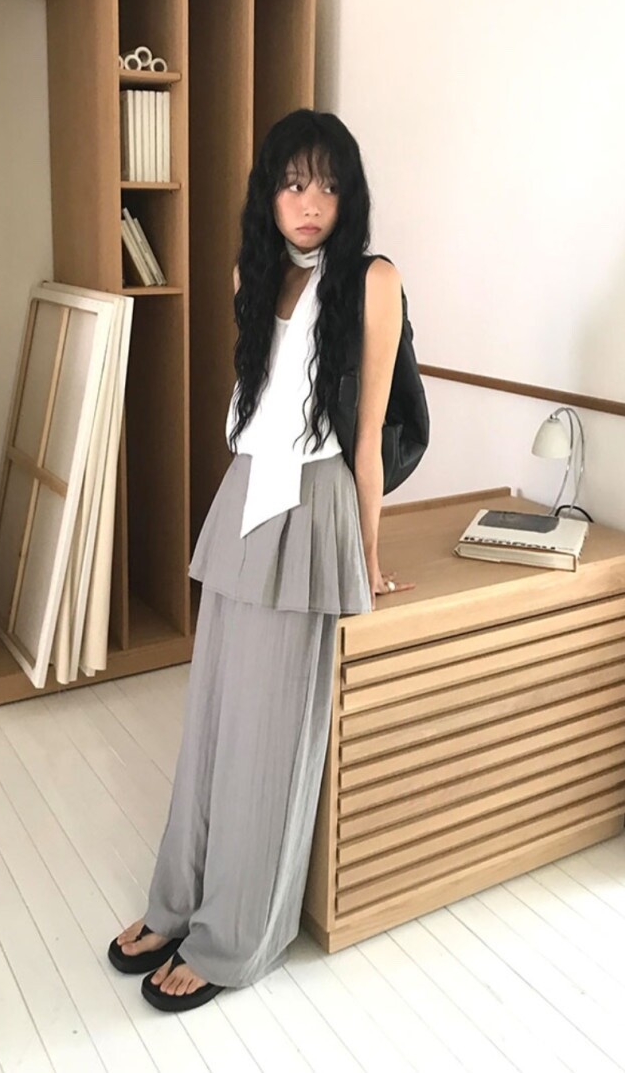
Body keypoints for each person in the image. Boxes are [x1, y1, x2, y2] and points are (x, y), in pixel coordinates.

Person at [108, 108, 412, 1012]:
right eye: (292, 183)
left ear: (349, 196)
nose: (310, 202)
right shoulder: (254, 272)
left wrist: (366, 556)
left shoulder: (374, 280)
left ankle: (235, 936)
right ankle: (178, 901)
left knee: (270, 742)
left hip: (313, 505)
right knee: (211, 722)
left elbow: (367, 439)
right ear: (269, 195)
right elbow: (257, 403)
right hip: (245, 495)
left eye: (328, 185)